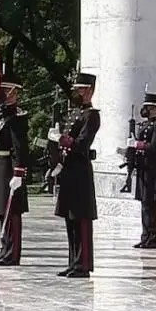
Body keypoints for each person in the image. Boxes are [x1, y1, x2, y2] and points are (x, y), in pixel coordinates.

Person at [48, 73, 100, 278]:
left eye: (80, 89)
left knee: (81, 219)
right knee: (70, 219)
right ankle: (73, 261)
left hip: (80, 171)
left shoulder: (91, 116)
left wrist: (62, 139)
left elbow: (82, 143)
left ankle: (83, 264)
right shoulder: (74, 114)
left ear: (89, 91)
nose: (76, 93)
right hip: (68, 169)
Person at [0, 72, 30, 266]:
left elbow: (20, 147)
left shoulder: (17, 116)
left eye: (5, 89)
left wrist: (19, 171)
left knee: (12, 212)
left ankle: (13, 253)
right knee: (2, 211)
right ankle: (5, 249)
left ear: (14, 92)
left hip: (9, 166)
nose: (1, 92)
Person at [128, 91, 156, 249]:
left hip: (154, 169)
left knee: (153, 204)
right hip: (143, 167)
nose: (145, 110)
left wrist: (138, 145)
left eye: (149, 107)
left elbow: (154, 146)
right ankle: (145, 236)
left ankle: (154, 238)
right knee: (145, 204)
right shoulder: (143, 125)